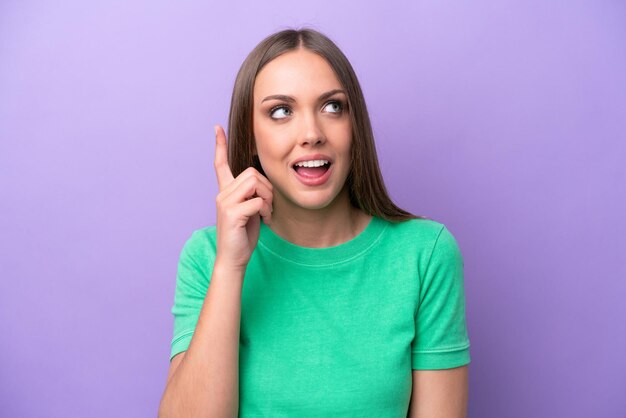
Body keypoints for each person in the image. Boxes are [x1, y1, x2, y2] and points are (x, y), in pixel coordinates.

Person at [158, 28, 470, 418]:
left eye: (332, 107)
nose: (311, 134)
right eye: (281, 111)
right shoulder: (207, 257)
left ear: (354, 126)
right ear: (251, 136)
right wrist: (231, 266)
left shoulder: (425, 255)